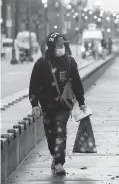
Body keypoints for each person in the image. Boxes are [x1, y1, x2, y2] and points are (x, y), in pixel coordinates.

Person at [29, 32, 87, 175]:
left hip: (64, 105)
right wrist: (34, 104)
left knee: (61, 132)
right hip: (47, 106)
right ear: (51, 47)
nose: (62, 48)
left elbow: (77, 83)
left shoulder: (69, 62)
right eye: (58, 45)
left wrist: (81, 102)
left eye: (63, 45)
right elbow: (34, 85)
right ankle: (55, 157)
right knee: (50, 134)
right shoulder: (41, 63)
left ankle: (59, 162)